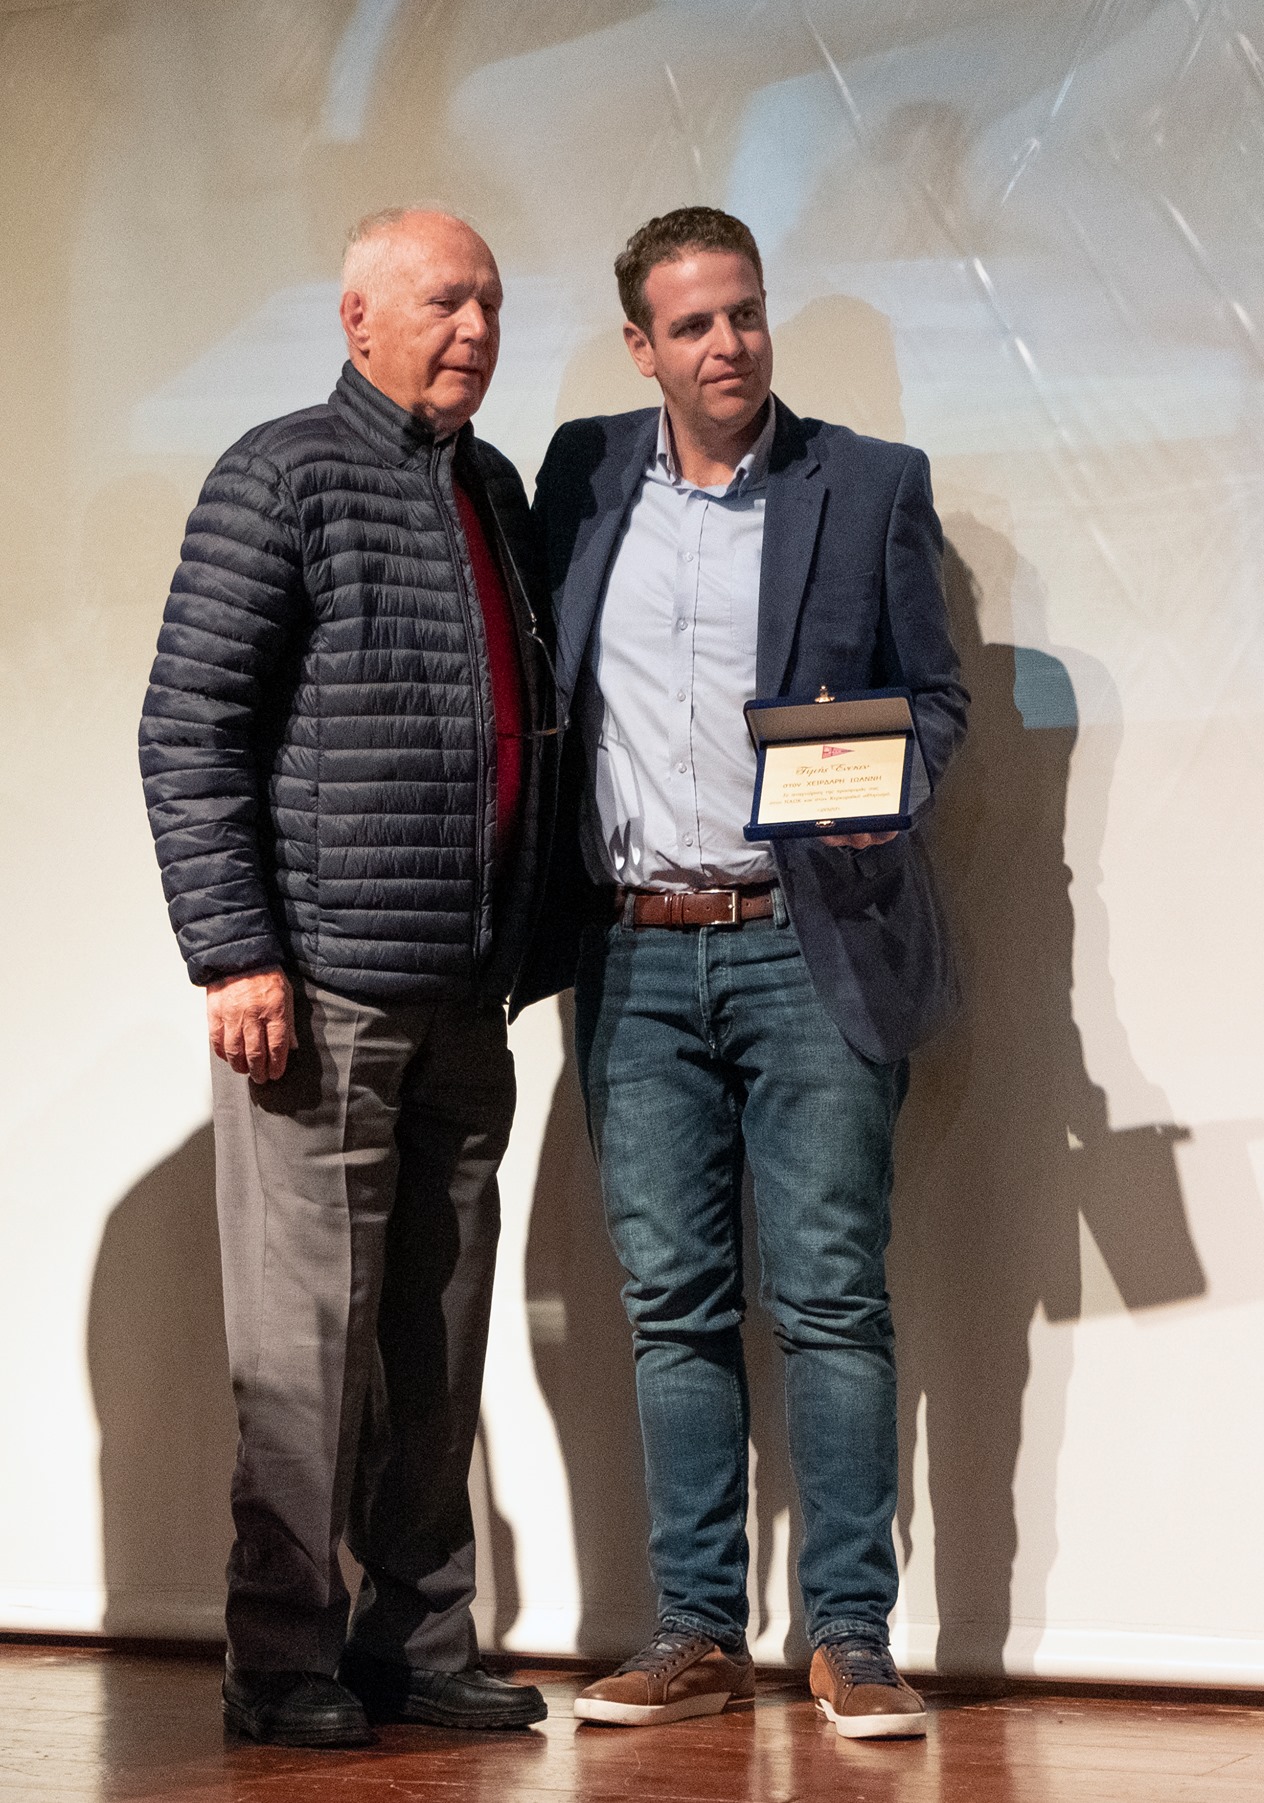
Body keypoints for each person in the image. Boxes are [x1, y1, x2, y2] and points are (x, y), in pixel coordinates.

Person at [514, 207, 967, 1738]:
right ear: (640, 346)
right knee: (673, 1307)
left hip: (805, 942)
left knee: (831, 1296)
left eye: (747, 314)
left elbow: (938, 701)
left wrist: (882, 787)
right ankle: (696, 1631)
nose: (730, 345)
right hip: (632, 954)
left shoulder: (869, 482)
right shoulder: (580, 478)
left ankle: (852, 1636)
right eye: (695, 324)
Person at [138, 207, 555, 1748]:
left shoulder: (492, 491)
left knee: (435, 1344)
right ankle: (281, 1656)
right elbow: (189, 728)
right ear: (358, 317)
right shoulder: (281, 474)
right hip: (319, 996)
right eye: (445, 300)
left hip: (464, 996)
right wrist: (237, 951)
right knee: (304, 1351)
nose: (476, 329)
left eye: (492, 303)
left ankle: (417, 1643)